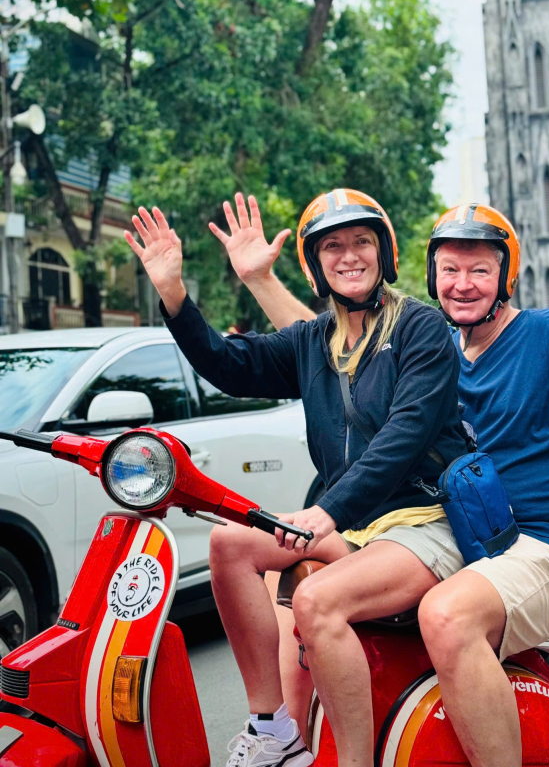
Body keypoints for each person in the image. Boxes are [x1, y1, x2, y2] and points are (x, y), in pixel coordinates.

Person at [247, 200, 549, 767]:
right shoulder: (429, 348)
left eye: (479, 270)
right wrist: (260, 279)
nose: (463, 284)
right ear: (431, 277)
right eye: (450, 270)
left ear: (505, 277)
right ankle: (282, 741)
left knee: (446, 614)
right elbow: (323, 346)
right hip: (454, 539)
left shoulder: (548, 336)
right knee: (288, 569)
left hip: (546, 546)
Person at [124, 190, 471, 767]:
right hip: (360, 528)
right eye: (332, 246)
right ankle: (273, 729)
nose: (349, 256)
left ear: (383, 251)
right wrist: (173, 293)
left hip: (425, 522)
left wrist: (328, 510)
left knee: (315, 600)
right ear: (315, 266)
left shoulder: (421, 328)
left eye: (362, 242)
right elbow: (228, 366)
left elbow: (405, 435)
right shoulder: (312, 340)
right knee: (230, 542)